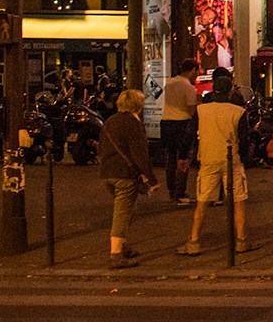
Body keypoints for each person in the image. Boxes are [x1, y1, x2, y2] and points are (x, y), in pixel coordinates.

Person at [177, 75, 258, 255]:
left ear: (214, 89)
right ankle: (241, 240)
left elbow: (189, 134)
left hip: (208, 158)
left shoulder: (201, 111)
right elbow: (244, 139)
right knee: (238, 199)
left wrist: (183, 156)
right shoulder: (238, 112)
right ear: (230, 90)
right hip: (232, 159)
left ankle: (194, 241)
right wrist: (244, 158)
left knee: (202, 200)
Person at [99, 88, 158, 268]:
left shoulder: (109, 121)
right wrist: (151, 179)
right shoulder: (133, 124)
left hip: (107, 172)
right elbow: (140, 154)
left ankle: (123, 245)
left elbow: (100, 146)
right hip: (124, 174)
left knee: (127, 209)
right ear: (138, 106)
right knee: (123, 213)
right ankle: (116, 254)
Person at [160, 59, 200, 205]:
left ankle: (172, 190)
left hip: (166, 122)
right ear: (192, 70)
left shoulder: (169, 83)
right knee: (183, 159)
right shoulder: (188, 87)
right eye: (197, 72)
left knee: (170, 158)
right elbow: (191, 110)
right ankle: (180, 192)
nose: (197, 75)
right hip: (182, 124)